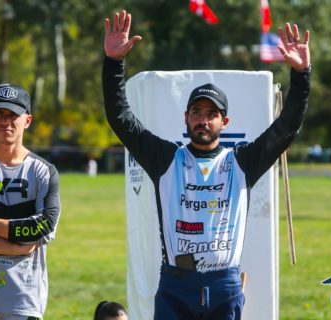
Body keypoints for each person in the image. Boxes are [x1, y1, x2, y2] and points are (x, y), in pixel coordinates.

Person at [102, 9, 310, 320]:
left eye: (211, 114)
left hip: (223, 286)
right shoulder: (167, 159)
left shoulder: (241, 162)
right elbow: (121, 119)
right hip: (175, 285)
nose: (203, 119)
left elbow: (287, 126)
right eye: (196, 112)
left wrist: (301, 74)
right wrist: (113, 64)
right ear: (185, 118)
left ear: (224, 122)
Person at [0, 84, 61, 320]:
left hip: (22, 299)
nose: (6, 122)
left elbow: (45, 225)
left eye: (13, 115)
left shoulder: (43, 171)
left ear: (28, 120)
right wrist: (11, 247)